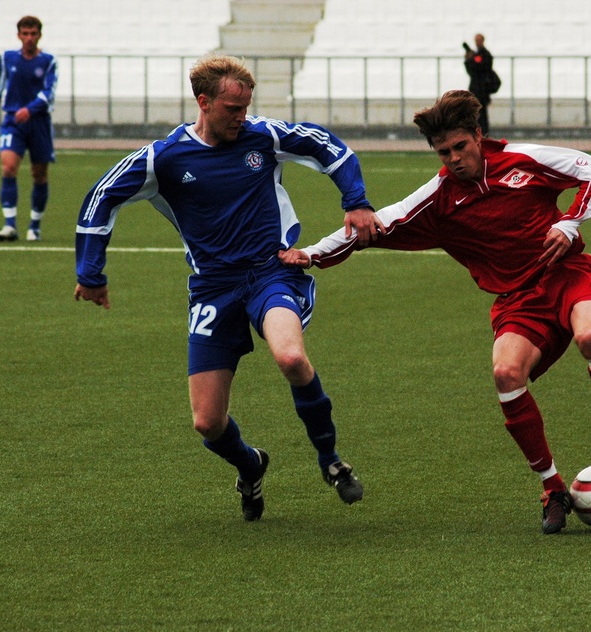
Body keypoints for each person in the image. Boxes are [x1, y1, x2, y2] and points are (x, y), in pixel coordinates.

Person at [280, 90, 591, 535]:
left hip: (566, 273)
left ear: (477, 136)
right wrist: (311, 254)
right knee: (506, 375)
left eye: (459, 147)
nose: (453, 159)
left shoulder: (522, 159)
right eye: (443, 152)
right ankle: (552, 488)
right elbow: (373, 225)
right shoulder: (438, 199)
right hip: (517, 300)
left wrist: (570, 222)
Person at [74, 53, 385, 521]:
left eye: (246, 108)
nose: (242, 118)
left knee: (292, 357)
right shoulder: (165, 158)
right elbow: (102, 197)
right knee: (207, 422)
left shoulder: (263, 135)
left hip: (270, 272)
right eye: (232, 110)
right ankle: (251, 464)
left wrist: (356, 201)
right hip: (213, 289)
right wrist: (90, 273)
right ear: (204, 102)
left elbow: (328, 147)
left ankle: (331, 461)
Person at [0, 16, 57, 242]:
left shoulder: (49, 60)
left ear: (39, 35)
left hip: (39, 122)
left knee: (39, 174)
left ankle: (34, 226)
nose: (29, 38)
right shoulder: (8, 58)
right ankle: (10, 225)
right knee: (9, 167)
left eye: (33, 34)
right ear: (19, 35)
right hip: (13, 121)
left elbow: (48, 93)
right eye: (25, 34)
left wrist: (31, 109)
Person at [463, 34, 494, 135]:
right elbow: (471, 72)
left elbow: (481, 68)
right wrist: (468, 60)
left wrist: (471, 59)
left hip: (483, 90)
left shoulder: (485, 54)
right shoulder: (477, 54)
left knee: (482, 114)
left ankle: (484, 134)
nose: (477, 42)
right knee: (474, 113)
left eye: (478, 40)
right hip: (475, 89)